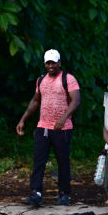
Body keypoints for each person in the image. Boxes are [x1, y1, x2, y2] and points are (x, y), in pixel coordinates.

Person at [16, 49, 80, 206]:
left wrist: (63, 117)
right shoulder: (41, 80)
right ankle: (36, 193)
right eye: (48, 63)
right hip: (43, 126)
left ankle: (64, 194)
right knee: (39, 161)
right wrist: (23, 119)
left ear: (59, 63)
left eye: (54, 62)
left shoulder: (68, 79)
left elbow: (76, 100)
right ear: (45, 64)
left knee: (62, 161)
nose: (51, 65)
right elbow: (35, 101)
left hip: (62, 128)